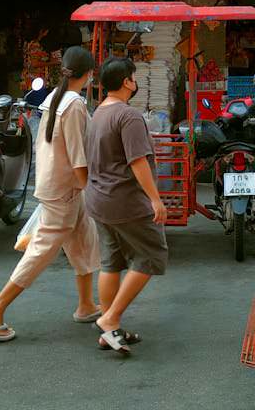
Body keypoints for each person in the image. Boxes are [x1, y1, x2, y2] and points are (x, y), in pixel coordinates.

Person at [0, 47, 102, 343]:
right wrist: (91, 186)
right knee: (41, 251)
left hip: (58, 185)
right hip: (66, 188)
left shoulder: (53, 100)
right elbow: (77, 154)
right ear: (89, 74)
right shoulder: (74, 105)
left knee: (84, 238)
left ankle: (85, 304)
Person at [85, 58, 168, 356]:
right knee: (151, 255)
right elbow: (137, 161)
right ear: (127, 82)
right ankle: (110, 318)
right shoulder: (129, 116)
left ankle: (110, 330)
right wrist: (155, 199)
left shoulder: (99, 113)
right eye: (133, 76)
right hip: (124, 201)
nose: (136, 81)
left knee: (112, 261)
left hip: (99, 199)